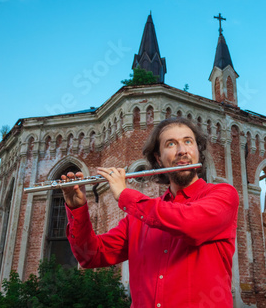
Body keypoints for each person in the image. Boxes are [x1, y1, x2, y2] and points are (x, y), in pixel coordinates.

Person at [61, 117, 239, 308]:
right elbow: (91, 255)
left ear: (197, 150)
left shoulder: (223, 195)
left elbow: (189, 223)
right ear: (158, 158)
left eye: (188, 141)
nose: (182, 151)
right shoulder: (139, 217)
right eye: (171, 144)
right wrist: (77, 209)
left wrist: (125, 195)